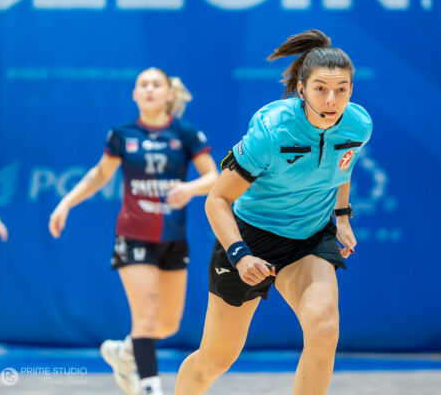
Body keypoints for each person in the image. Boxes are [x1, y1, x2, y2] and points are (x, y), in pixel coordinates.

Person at [174, 29, 373, 395]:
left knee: (324, 330)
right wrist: (240, 254)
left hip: (309, 238)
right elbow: (216, 201)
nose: (332, 100)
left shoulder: (357, 125)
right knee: (216, 360)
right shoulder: (271, 131)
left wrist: (342, 216)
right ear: (301, 89)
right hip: (250, 238)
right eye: (320, 89)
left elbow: (342, 164)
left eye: (342, 89)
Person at [49, 67, 218, 395]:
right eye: (144, 85)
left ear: (168, 94)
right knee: (147, 318)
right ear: (135, 94)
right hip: (133, 236)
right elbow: (99, 175)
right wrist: (66, 203)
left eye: (156, 84)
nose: (150, 89)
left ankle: (124, 351)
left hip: (173, 239)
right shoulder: (122, 134)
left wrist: (189, 189)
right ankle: (149, 387)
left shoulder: (185, 133)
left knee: (167, 325)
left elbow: (213, 177)